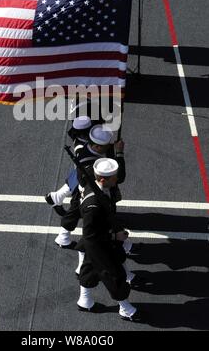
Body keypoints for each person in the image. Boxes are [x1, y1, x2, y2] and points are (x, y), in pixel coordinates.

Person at [75, 158, 143, 322]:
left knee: (90, 269)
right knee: (114, 274)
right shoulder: (93, 206)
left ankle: (85, 301)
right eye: (114, 177)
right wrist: (114, 236)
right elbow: (91, 236)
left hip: (101, 237)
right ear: (103, 179)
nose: (117, 179)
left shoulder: (98, 184)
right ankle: (125, 308)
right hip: (99, 243)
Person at [54, 125, 125, 249]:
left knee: (74, 211)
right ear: (97, 146)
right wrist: (119, 154)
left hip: (87, 188)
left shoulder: (92, 148)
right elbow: (119, 177)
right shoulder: (88, 161)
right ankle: (122, 244)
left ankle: (63, 237)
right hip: (93, 190)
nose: (109, 147)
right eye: (107, 145)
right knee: (104, 216)